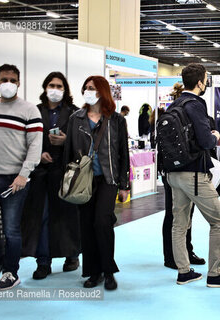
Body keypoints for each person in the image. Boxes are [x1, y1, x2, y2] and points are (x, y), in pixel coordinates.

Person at [167, 63, 220, 288]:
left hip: (173, 173)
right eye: (206, 79)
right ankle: (215, 274)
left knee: (179, 223)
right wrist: (215, 135)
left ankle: (184, 271)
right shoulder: (195, 105)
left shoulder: (174, 104)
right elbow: (206, 140)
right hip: (193, 173)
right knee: (219, 222)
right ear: (200, 83)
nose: (207, 83)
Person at [0, 64, 43, 290]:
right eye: (4, 79)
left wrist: (24, 175)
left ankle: (10, 272)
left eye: (13, 80)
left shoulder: (29, 110)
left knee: (12, 229)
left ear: (19, 83)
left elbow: (35, 146)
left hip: (14, 179)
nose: (8, 84)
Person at [63, 75, 130, 290]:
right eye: (86, 88)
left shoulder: (117, 120)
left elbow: (123, 153)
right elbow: (69, 151)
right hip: (84, 179)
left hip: (108, 179)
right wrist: (68, 179)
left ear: (102, 91)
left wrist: (124, 184)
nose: (88, 91)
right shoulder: (76, 118)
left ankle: (109, 270)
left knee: (102, 222)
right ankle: (93, 272)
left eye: (92, 88)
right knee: (87, 225)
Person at [21, 72, 80, 280]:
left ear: (65, 90)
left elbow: (82, 143)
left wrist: (65, 143)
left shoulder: (75, 113)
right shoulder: (33, 112)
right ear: (45, 87)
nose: (55, 89)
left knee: (68, 217)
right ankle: (43, 262)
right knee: (42, 217)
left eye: (59, 86)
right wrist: (38, 155)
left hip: (66, 172)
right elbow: (24, 141)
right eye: (52, 85)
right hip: (40, 174)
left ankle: (72, 255)